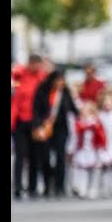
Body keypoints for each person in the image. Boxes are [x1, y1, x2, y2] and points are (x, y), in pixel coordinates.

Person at [32, 67, 78, 198]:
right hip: (45, 127)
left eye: (62, 80)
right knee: (45, 157)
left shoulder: (64, 92)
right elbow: (36, 110)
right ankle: (47, 185)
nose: (60, 83)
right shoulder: (42, 91)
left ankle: (60, 186)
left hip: (61, 128)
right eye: (58, 80)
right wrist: (38, 125)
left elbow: (73, 109)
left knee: (60, 157)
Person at [12, 54, 48, 199]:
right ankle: (18, 187)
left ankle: (32, 187)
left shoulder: (42, 78)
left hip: (35, 121)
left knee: (34, 154)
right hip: (20, 120)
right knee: (20, 155)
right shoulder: (19, 75)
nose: (36, 67)